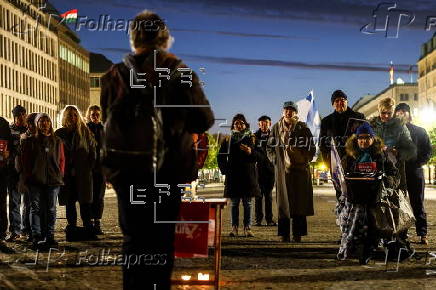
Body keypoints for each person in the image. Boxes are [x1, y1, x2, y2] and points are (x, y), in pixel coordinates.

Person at [100, 10, 214, 290]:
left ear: (133, 38)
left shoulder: (115, 74)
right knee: (161, 241)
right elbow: (204, 119)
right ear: (164, 38)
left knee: (134, 242)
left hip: (128, 172)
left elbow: (106, 121)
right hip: (167, 170)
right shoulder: (179, 71)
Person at [337, 122, 399, 264]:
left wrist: (387, 181)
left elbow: (394, 174)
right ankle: (354, 248)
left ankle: (368, 251)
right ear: (356, 140)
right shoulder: (349, 156)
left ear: (372, 139)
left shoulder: (381, 155)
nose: (363, 141)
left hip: (375, 198)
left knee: (373, 223)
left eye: (367, 137)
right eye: (360, 138)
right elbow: (342, 175)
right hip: (355, 198)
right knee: (354, 223)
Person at [267, 101, 315, 242]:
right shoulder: (276, 128)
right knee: (284, 204)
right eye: (287, 110)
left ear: (296, 113)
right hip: (283, 171)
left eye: (292, 110)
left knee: (299, 202)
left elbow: (311, 148)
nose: (289, 112)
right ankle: (284, 234)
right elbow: (269, 148)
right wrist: (275, 160)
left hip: (300, 170)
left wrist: (304, 159)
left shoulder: (303, 128)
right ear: (283, 112)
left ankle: (298, 234)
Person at [22, 113, 65, 249]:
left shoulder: (57, 141)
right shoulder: (31, 141)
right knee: (35, 209)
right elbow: (26, 161)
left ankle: (50, 236)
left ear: (50, 123)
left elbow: (62, 159)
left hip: (53, 180)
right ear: (37, 123)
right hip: (35, 180)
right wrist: (28, 176)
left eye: (47, 120)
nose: (44, 123)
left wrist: (60, 173)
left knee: (51, 209)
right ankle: (36, 236)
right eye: (41, 121)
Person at [55, 106, 97, 241]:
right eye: (70, 115)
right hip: (66, 175)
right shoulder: (59, 133)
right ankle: (72, 228)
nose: (72, 117)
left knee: (85, 203)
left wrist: (88, 168)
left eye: (75, 115)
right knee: (70, 202)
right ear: (65, 117)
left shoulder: (85, 132)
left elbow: (92, 153)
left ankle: (88, 229)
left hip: (83, 174)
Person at [394, 103, 432, 245]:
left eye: (403, 112)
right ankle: (402, 233)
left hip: (415, 172)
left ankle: (422, 233)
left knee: (417, 203)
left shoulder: (420, 131)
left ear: (409, 114)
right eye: (398, 113)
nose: (400, 115)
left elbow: (427, 151)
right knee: (400, 204)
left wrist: (417, 163)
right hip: (398, 174)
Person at [218, 114, 260, 237]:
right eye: (236, 123)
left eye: (241, 123)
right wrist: (225, 170)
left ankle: (248, 228)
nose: (239, 125)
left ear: (245, 125)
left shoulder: (252, 139)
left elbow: (260, 156)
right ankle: (234, 228)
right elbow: (220, 156)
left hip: (248, 176)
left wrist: (250, 151)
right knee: (234, 204)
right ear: (233, 126)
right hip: (233, 177)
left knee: (248, 204)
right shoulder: (228, 139)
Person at [320, 90, 365, 200]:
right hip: (336, 163)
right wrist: (327, 162)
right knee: (340, 191)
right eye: (337, 101)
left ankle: (356, 216)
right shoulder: (327, 121)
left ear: (347, 101)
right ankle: (342, 216)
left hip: (355, 160)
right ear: (333, 104)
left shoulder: (358, 117)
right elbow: (323, 144)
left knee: (357, 190)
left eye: (342, 100)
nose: (340, 103)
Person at [369, 97, 416, 190]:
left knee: (395, 200)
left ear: (393, 112)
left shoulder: (400, 126)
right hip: (374, 169)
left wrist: (397, 152)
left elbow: (411, 149)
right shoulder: (371, 125)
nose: (386, 116)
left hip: (395, 171)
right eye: (383, 113)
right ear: (379, 111)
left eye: (389, 113)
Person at [15, 112, 38, 242]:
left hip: (38, 174)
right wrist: (21, 173)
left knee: (35, 204)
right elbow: (20, 157)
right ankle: (26, 229)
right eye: (31, 123)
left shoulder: (40, 136)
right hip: (27, 174)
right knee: (28, 203)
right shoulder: (24, 137)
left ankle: (34, 229)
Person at [7, 105, 28, 242]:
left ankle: (26, 229)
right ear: (14, 117)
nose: (21, 118)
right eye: (18, 116)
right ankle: (15, 230)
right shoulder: (8, 130)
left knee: (28, 201)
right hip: (12, 170)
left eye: (22, 115)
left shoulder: (30, 128)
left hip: (27, 170)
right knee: (14, 201)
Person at [86, 105, 106, 235]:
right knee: (89, 196)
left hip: (101, 168)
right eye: (93, 114)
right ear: (89, 115)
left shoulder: (104, 129)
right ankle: (89, 223)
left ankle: (97, 222)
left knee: (99, 196)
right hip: (88, 167)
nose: (95, 116)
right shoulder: (85, 128)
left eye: (97, 114)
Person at [254, 115, 276, 226]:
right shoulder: (254, 137)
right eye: (261, 123)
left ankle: (269, 220)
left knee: (268, 196)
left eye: (266, 123)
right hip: (258, 170)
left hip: (270, 170)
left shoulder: (274, 135)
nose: (264, 125)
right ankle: (258, 220)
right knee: (258, 196)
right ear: (259, 124)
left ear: (270, 124)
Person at [0, 115, 11, 246]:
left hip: (1, 170)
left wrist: (7, 153)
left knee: (1, 202)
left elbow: (7, 145)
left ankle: (1, 233)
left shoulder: (2, 123)